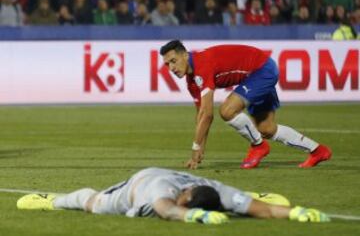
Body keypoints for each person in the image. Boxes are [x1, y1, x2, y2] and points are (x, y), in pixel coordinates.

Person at [160, 40, 332, 170]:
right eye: (167, 64)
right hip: (256, 73)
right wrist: (199, 152)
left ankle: (258, 146)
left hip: (262, 70)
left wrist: (195, 147)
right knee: (266, 128)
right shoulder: (192, 82)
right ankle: (318, 151)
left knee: (227, 110)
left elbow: (208, 114)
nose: (171, 68)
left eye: (173, 61)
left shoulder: (201, 65)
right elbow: (202, 117)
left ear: (185, 55)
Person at [17, 167, 330, 224]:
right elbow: (167, 210)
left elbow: (266, 210)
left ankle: (250, 195)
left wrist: (297, 212)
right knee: (94, 204)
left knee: (246, 204)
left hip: (197, 193)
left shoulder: (218, 192)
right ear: (186, 197)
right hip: (137, 186)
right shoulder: (163, 192)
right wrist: (193, 216)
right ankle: (52, 200)